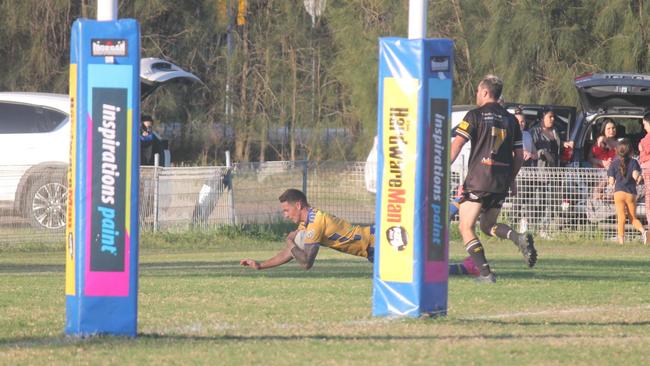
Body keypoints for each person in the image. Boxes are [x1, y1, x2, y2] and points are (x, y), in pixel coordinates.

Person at [239, 189, 481, 275]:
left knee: (424, 236)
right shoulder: (307, 224)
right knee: (416, 270)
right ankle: (468, 267)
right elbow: (290, 253)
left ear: (299, 206)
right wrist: (261, 265)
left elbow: (305, 263)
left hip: (379, 241)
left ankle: (459, 201)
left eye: (286, 210)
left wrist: (290, 241)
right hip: (374, 248)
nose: (284, 215)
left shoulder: (315, 224)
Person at [449, 74, 537, 284]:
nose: (477, 95)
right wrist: (511, 179)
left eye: (478, 91)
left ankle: (486, 274)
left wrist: (440, 169)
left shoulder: (474, 115)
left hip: (479, 180)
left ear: (486, 92)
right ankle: (519, 238)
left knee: (465, 227)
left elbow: (458, 145)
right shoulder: (511, 120)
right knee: (488, 226)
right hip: (500, 183)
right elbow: (518, 156)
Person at [607, 139, 647, 245]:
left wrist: (611, 183)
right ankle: (644, 231)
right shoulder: (634, 162)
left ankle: (621, 241)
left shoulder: (614, 164)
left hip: (618, 193)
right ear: (631, 152)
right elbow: (635, 175)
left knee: (621, 217)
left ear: (617, 151)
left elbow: (611, 181)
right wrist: (638, 178)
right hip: (631, 194)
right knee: (633, 217)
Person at [638, 113, 650, 232]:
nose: (644, 127)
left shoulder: (646, 139)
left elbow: (645, 149)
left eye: (645, 124)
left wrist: (641, 145)